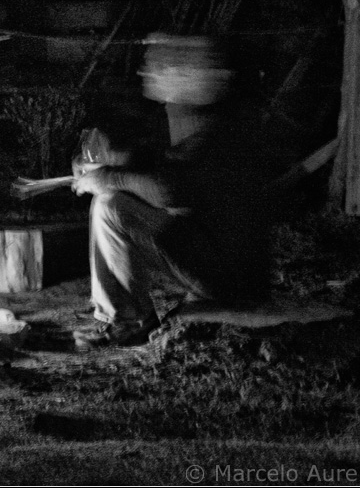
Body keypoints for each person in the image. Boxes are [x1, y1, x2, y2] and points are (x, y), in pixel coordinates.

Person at [70, 34, 273, 349]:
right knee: (114, 198)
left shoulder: (213, 130)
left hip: (227, 278)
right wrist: (114, 163)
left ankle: (130, 321)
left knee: (110, 206)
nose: (148, 73)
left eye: (160, 66)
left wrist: (108, 177)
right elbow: (168, 164)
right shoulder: (220, 119)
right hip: (230, 266)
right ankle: (128, 316)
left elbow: (169, 190)